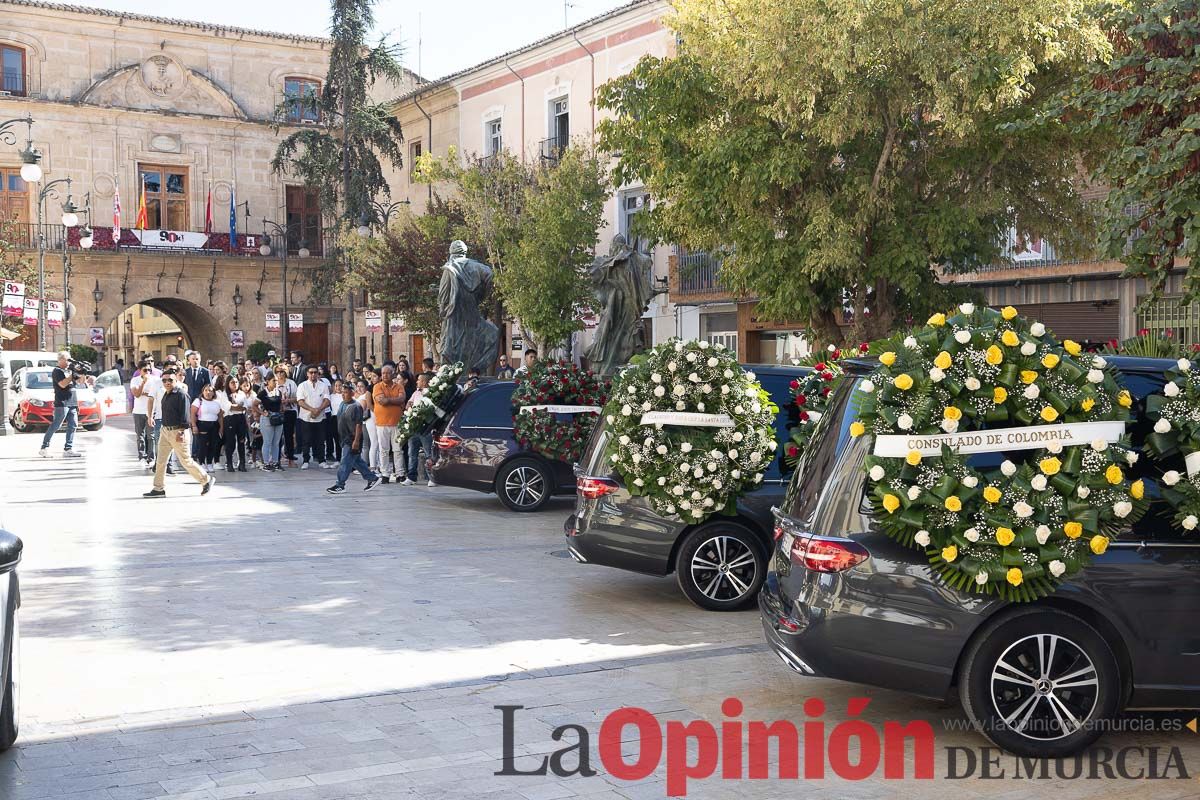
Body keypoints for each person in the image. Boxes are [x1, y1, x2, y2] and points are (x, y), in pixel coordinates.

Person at [144, 372, 214, 497]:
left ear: (176, 380)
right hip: (165, 431)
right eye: (164, 380)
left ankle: (206, 480)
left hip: (178, 431)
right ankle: (158, 488)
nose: (167, 383)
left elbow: (185, 415)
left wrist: (181, 431)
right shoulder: (166, 394)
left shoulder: (181, 394)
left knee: (186, 461)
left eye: (170, 380)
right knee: (160, 461)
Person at [326, 383, 380, 495]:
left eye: (346, 392)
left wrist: (356, 440)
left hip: (352, 439)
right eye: (342, 392)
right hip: (343, 437)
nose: (343, 394)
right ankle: (372, 478)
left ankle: (340, 484)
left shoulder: (356, 406)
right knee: (356, 461)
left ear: (352, 393)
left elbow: (358, 425)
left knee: (345, 462)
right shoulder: (342, 404)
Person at [39, 351, 92, 458]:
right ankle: (44, 447)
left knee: (73, 425)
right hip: (62, 402)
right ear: (61, 360)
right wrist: (72, 375)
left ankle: (68, 449)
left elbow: (81, 382)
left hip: (72, 401)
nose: (69, 362)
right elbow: (62, 384)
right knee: (56, 425)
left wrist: (83, 372)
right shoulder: (57, 371)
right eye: (67, 359)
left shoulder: (69, 371)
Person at [371, 363, 406, 483]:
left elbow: (402, 399)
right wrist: (394, 400)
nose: (385, 375)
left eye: (387, 373)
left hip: (396, 422)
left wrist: (389, 399)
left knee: (398, 450)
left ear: (393, 374)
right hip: (382, 423)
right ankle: (385, 473)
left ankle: (400, 473)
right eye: (383, 373)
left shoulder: (399, 386)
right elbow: (382, 401)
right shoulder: (377, 387)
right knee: (383, 450)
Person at [403, 372, 436, 487]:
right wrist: (409, 405)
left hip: (424, 427)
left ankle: (432, 477)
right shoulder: (416, 392)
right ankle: (411, 476)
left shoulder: (431, 393)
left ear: (425, 382)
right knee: (412, 452)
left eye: (419, 380)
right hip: (413, 426)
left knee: (428, 453)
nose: (417, 382)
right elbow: (408, 404)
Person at [296, 365, 331, 469]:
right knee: (306, 439)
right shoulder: (302, 386)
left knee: (320, 439)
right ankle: (306, 460)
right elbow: (300, 401)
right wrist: (312, 410)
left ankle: (322, 460)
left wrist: (318, 410)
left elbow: (327, 400)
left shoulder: (323, 385)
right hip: (306, 417)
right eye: (311, 372)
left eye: (315, 372)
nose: (313, 374)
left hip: (320, 416)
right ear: (307, 374)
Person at [129, 357, 159, 466]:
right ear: (140, 370)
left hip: (151, 412)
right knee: (140, 436)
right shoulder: (135, 380)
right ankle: (141, 456)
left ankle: (151, 458)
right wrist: (143, 383)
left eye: (149, 370)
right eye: (145, 370)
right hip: (138, 411)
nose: (148, 372)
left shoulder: (155, 380)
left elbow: (155, 394)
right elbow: (136, 394)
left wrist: (146, 393)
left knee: (151, 436)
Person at [191, 383, 224, 473]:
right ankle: (201, 462)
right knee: (203, 445)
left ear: (213, 393)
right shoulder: (198, 401)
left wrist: (221, 428)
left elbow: (220, 416)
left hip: (214, 425)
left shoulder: (217, 402)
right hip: (202, 424)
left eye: (210, 391)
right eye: (206, 390)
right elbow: (193, 414)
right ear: (202, 391)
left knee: (213, 445)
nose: (208, 392)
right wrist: (194, 425)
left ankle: (209, 462)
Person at [221, 376, 251, 472]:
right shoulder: (225, 394)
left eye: (236, 382)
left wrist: (237, 407)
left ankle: (242, 463)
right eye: (232, 382)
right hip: (230, 418)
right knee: (230, 442)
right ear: (228, 384)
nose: (235, 384)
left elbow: (245, 407)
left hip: (240, 418)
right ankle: (229, 463)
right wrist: (238, 406)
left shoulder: (242, 394)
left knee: (241, 441)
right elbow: (229, 407)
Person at [257, 373, 285, 471]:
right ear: (267, 381)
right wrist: (262, 412)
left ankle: (275, 462)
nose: (276, 382)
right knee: (267, 442)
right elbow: (254, 405)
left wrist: (281, 411)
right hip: (267, 419)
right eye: (274, 380)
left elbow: (280, 404)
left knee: (276, 442)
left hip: (278, 418)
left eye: (276, 380)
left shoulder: (279, 392)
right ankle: (266, 463)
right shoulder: (262, 393)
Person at [275, 365, 299, 466]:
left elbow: (298, 398)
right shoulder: (274, 383)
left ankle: (290, 459)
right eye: (277, 372)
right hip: (277, 412)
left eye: (282, 371)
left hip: (290, 411)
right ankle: (277, 459)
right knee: (277, 436)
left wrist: (288, 400)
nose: (280, 374)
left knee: (289, 436)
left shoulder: (291, 383)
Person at [356, 378, 379, 472]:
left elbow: (362, 408)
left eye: (361, 386)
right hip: (362, 422)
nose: (359, 388)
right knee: (366, 444)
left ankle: (366, 465)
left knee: (367, 444)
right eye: (358, 386)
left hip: (366, 422)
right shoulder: (359, 396)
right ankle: (365, 465)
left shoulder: (364, 396)